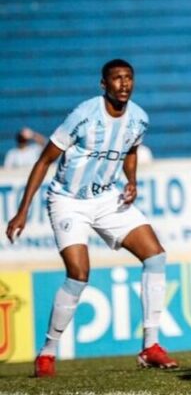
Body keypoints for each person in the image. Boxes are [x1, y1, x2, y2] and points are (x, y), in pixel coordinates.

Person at [5, 60, 178, 377]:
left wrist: (132, 181)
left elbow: (131, 151)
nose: (124, 84)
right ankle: (48, 352)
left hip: (106, 197)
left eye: (128, 78)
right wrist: (22, 209)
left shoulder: (139, 118)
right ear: (104, 85)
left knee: (156, 256)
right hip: (68, 201)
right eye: (116, 79)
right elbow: (45, 160)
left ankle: (150, 346)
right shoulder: (84, 115)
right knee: (79, 273)